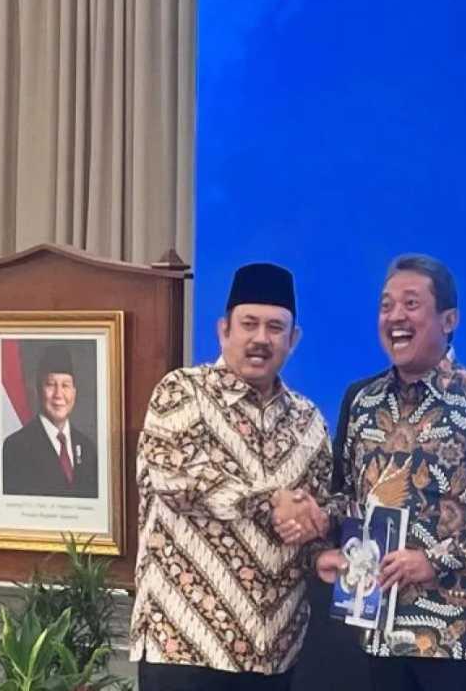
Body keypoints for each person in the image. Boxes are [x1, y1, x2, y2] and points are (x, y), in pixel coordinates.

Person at [315, 254, 466, 691]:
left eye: (411, 303)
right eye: (386, 305)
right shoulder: (363, 401)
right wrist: (323, 528)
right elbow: (352, 498)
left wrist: (434, 561)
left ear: (449, 320)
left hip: (459, 639)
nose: (395, 316)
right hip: (381, 631)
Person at [130, 263, 335, 691]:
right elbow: (177, 480)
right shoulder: (182, 392)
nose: (261, 338)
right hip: (185, 645)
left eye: (275, 328)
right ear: (224, 330)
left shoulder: (308, 420)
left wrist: (318, 544)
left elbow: (311, 515)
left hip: (274, 652)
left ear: (293, 340)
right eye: (249, 324)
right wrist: (271, 499)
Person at [2, 345, 99, 498]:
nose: (58, 394)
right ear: (38, 390)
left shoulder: (88, 449)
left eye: (65, 385)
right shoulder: (16, 447)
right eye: (51, 384)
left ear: (74, 392)